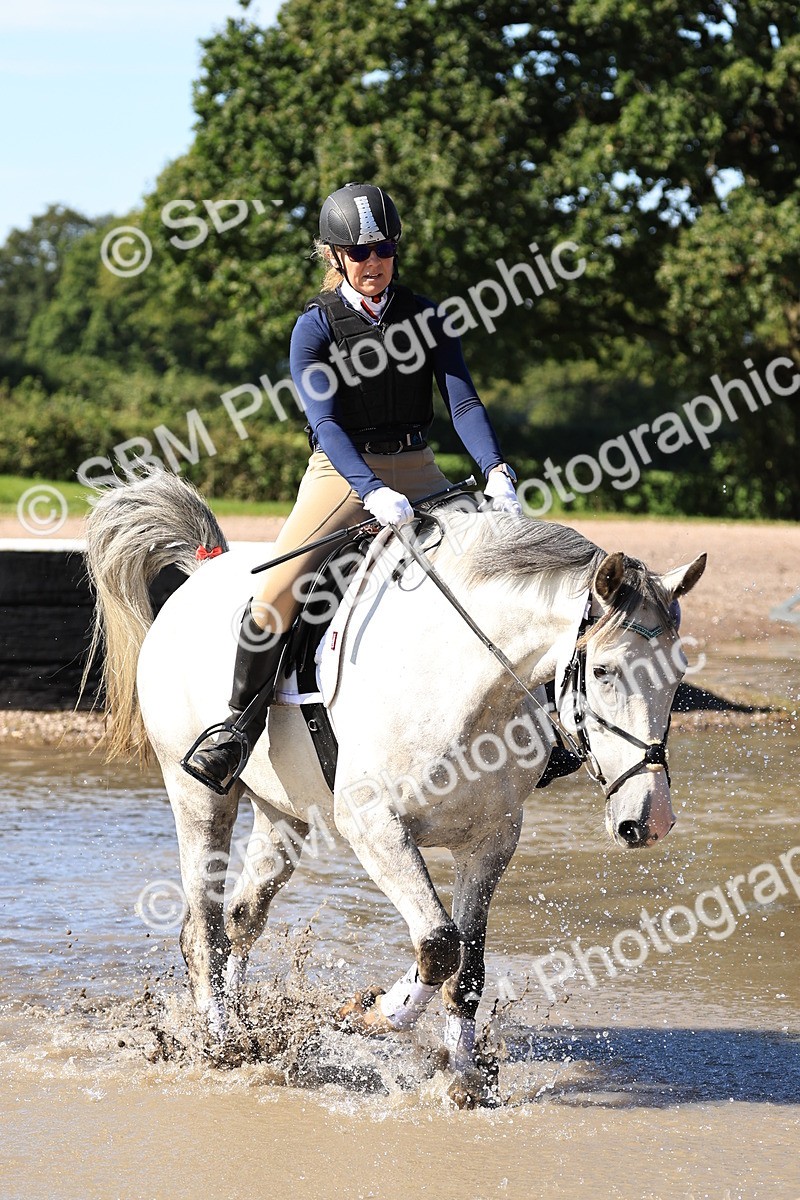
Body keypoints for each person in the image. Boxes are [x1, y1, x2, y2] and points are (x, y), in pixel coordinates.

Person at [185, 182, 522, 792]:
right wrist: (369, 489)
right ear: (333, 256)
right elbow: (326, 423)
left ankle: (539, 718)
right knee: (273, 593)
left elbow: (463, 400)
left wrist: (496, 469)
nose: (374, 264)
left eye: (384, 251)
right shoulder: (314, 329)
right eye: (360, 253)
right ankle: (235, 729)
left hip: (418, 466)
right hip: (341, 475)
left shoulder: (426, 317)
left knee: (496, 563)